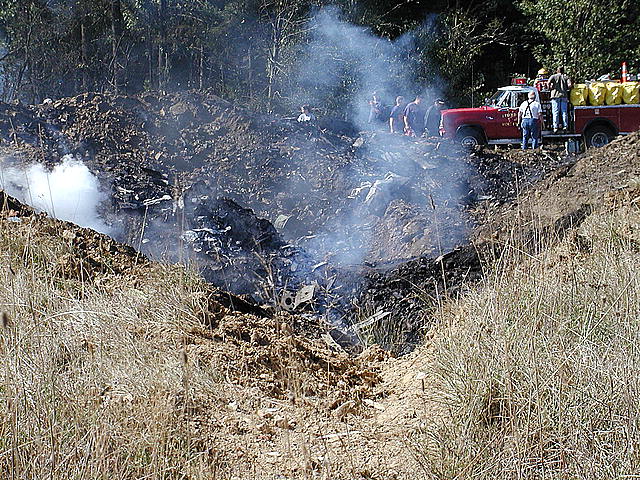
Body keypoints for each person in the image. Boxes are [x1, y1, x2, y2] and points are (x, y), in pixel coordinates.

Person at [548, 66, 572, 133]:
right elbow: (569, 85)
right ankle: (565, 126)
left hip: (555, 96)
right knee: (564, 112)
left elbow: (548, 83)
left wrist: (550, 88)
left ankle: (555, 127)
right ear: (563, 71)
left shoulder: (553, 76)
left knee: (555, 112)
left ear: (557, 70)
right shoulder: (566, 77)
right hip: (564, 96)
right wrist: (568, 89)